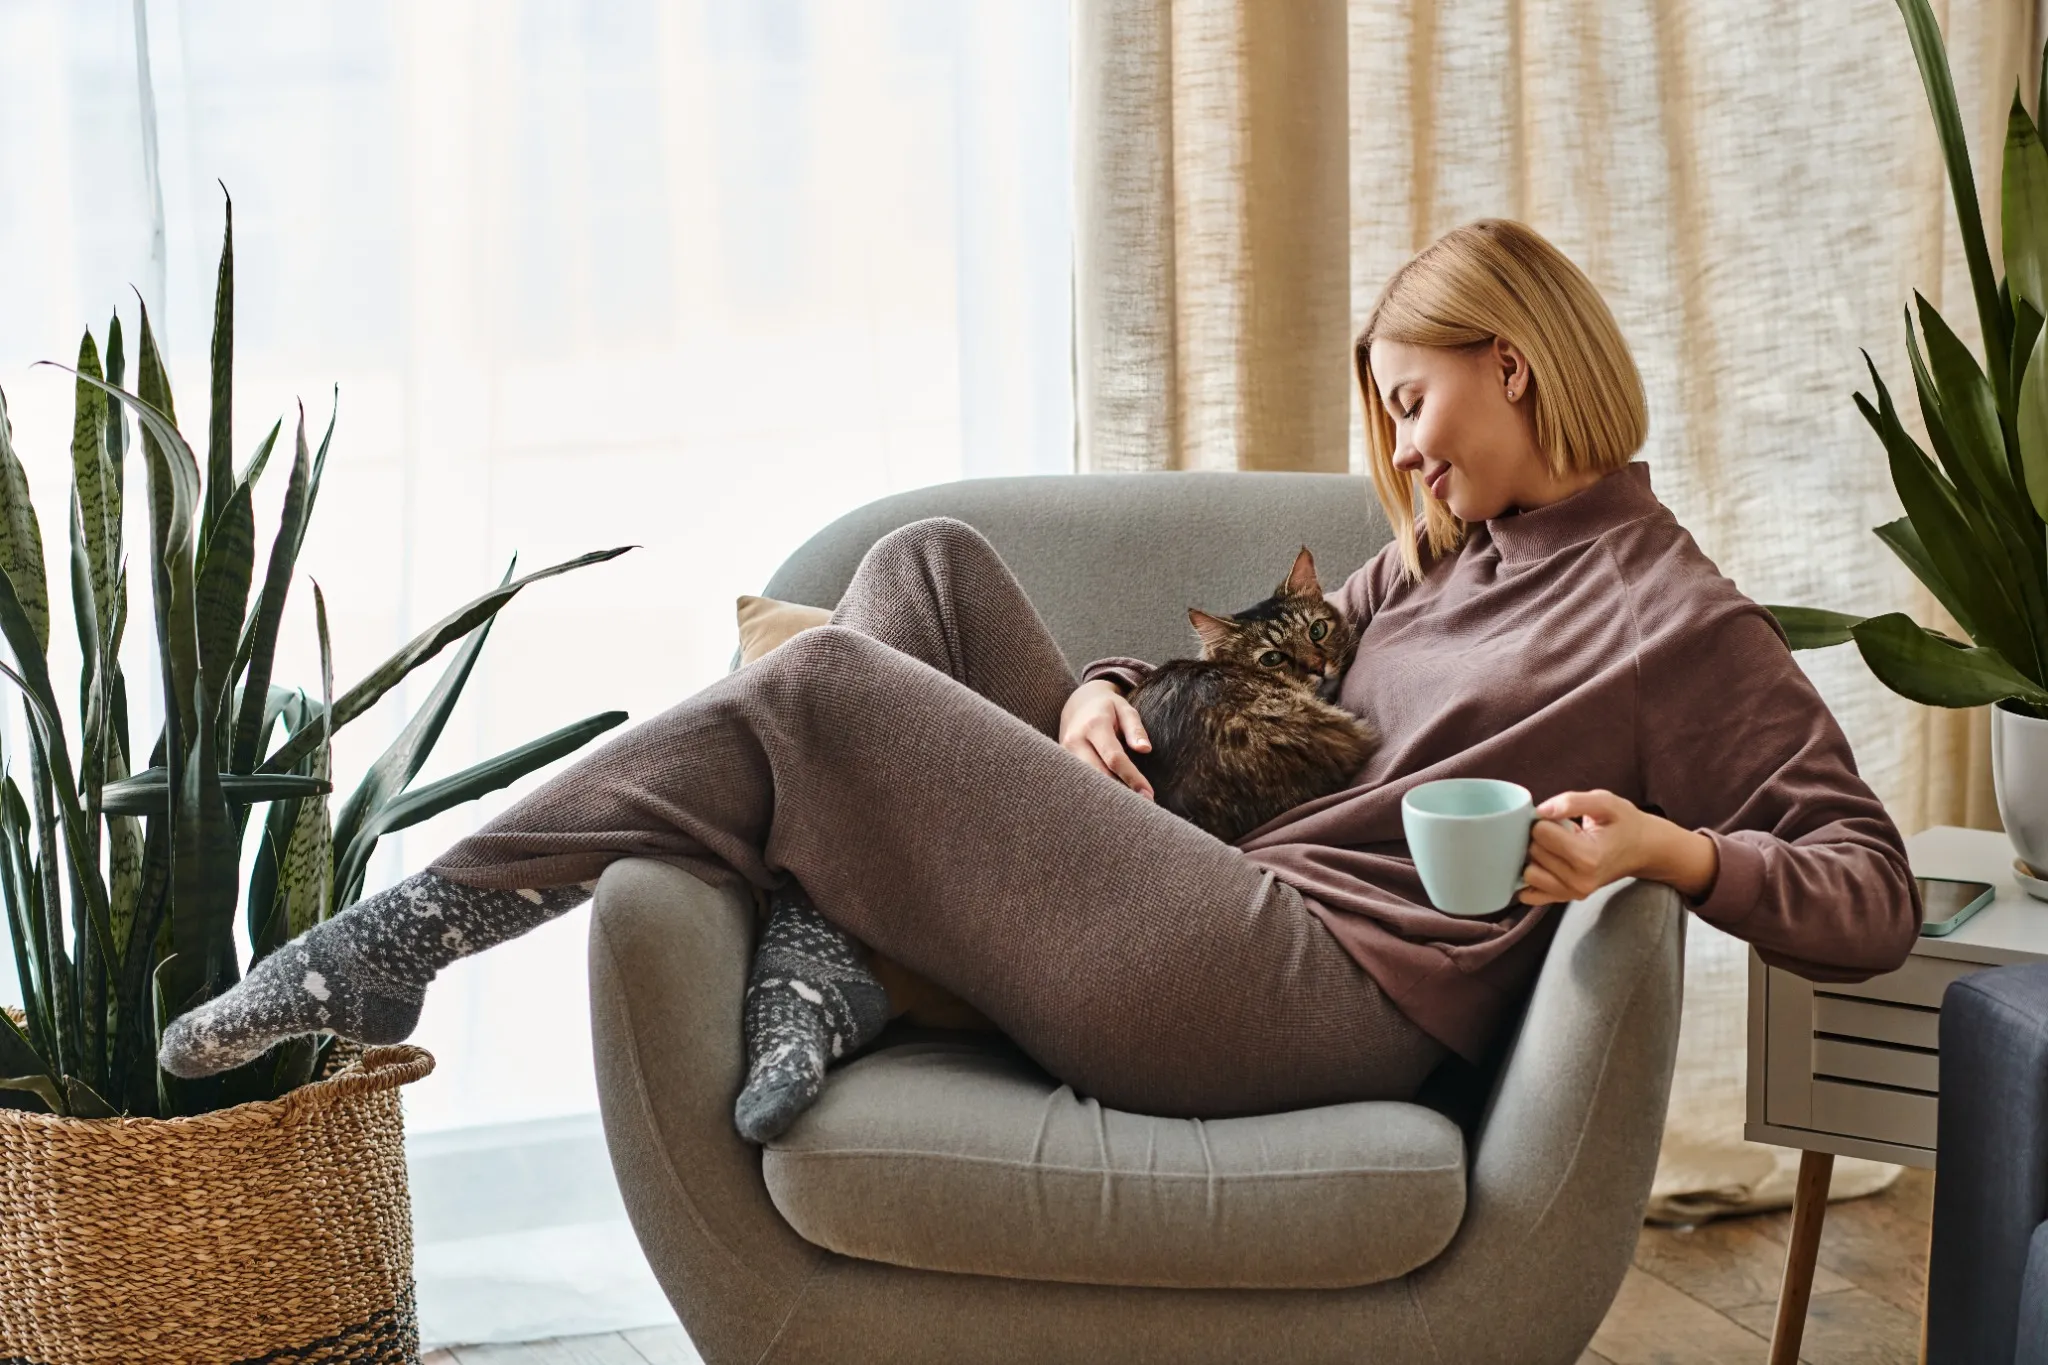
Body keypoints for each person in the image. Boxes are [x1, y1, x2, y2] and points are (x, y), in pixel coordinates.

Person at [158, 218, 1920, 1144]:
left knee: (827, 692)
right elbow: (1222, 683)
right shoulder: (1439, 563)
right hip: (1213, 897)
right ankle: (830, 964)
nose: (1394, 446)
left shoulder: (1683, 627)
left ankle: (412, 934)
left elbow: (1872, 890)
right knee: (921, 566)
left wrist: (1669, 860)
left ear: (1516, 366)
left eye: (1408, 397)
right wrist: (1092, 693)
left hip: (1308, 996)